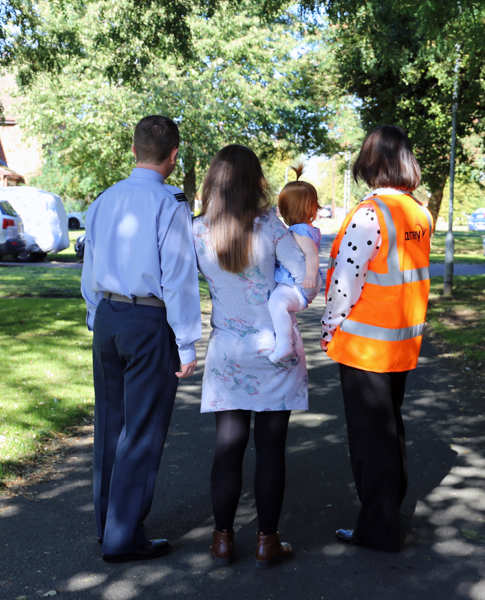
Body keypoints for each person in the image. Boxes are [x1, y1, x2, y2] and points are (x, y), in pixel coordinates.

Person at [81, 115, 202, 563]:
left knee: (110, 426)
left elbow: (89, 264)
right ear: (173, 156)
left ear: (134, 151)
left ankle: (106, 525)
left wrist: (97, 315)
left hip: (108, 315)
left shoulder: (104, 199)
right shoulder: (170, 204)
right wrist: (188, 343)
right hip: (149, 321)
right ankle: (123, 537)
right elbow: (178, 278)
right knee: (141, 431)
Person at [192, 144, 308, 568]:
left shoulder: (197, 231)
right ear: (255, 180)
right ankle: (267, 541)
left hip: (227, 351)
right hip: (275, 350)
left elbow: (181, 287)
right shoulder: (272, 227)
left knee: (228, 447)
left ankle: (222, 540)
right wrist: (285, 299)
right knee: (271, 449)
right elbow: (305, 281)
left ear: (214, 182)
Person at [320, 125, 434, 552]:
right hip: (401, 341)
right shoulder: (419, 214)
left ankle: (377, 528)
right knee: (390, 430)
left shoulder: (370, 214)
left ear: (369, 163)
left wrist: (329, 326)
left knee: (371, 440)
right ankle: (390, 514)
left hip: (365, 344)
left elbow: (346, 282)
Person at [267, 164, 323, 363]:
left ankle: (284, 345)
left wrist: (308, 276)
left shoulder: (298, 230)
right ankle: (287, 341)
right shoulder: (308, 228)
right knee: (284, 311)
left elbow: (312, 253)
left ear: (284, 209)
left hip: (297, 286)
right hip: (298, 287)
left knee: (276, 303)